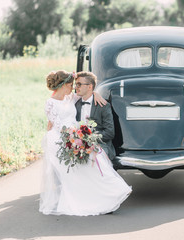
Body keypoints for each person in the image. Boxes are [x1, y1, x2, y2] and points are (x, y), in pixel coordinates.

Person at [40, 70, 131, 216]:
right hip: (61, 138)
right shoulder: (50, 103)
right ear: (64, 85)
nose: (74, 88)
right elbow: (59, 126)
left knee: (95, 161)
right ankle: (88, 199)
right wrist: (77, 138)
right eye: (72, 85)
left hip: (76, 135)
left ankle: (112, 192)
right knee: (75, 172)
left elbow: (88, 93)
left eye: (76, 85)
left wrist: (96, 94)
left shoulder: (70, 98)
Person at [74, 71, 116, 160]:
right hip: (79, 145)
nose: (75, 87)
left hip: (100, 145)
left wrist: (89, 138)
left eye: (79, 84)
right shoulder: (75, 104)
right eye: (76, 84)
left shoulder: (103, 105)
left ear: (90, 87)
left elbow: (109, 132)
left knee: (95, 159)